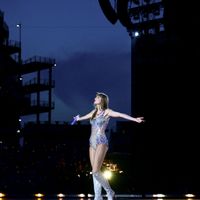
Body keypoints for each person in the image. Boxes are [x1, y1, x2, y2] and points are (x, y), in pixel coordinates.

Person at [73, 92, 144, 200]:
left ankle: (109, 191)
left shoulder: (107, 112)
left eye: (97, 97)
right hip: (91, 142)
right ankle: (97, 196)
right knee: (94, 171)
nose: (95, 98)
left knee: (96, 171)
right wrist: (77, 119)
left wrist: (134, 119)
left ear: (102, 100)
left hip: (101, 141)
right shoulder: (93, 112)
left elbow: (120, 114)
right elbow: (83, 117)